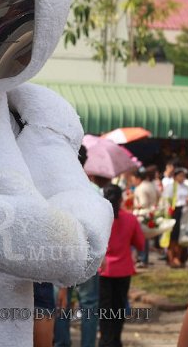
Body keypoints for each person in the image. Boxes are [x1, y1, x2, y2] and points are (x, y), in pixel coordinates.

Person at [54, 145, 102, 347]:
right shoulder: (94, 190)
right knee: (89, 305)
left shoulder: (57, 190)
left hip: (62, 256)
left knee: (61, 304)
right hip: (89, 255)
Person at [98, 184, 145, 347]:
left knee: (104, 308)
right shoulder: (131, 219)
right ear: (121, 199)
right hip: (124, 270)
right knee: (119, 307)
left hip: (103, 270)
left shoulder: (99, 219)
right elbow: (140, 243)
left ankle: (106, 340)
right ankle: (116, 340)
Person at [163, 167, 188, 268]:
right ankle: (171, 257)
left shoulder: (186, 187)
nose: (182, 178)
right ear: (175, 177)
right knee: (173, 237)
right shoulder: (171, 187)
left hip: (185, 213)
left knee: (181, 237)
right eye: (180, 176)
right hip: (175, 213)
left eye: (184, 176)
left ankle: (179, 257)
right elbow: (166, 201)